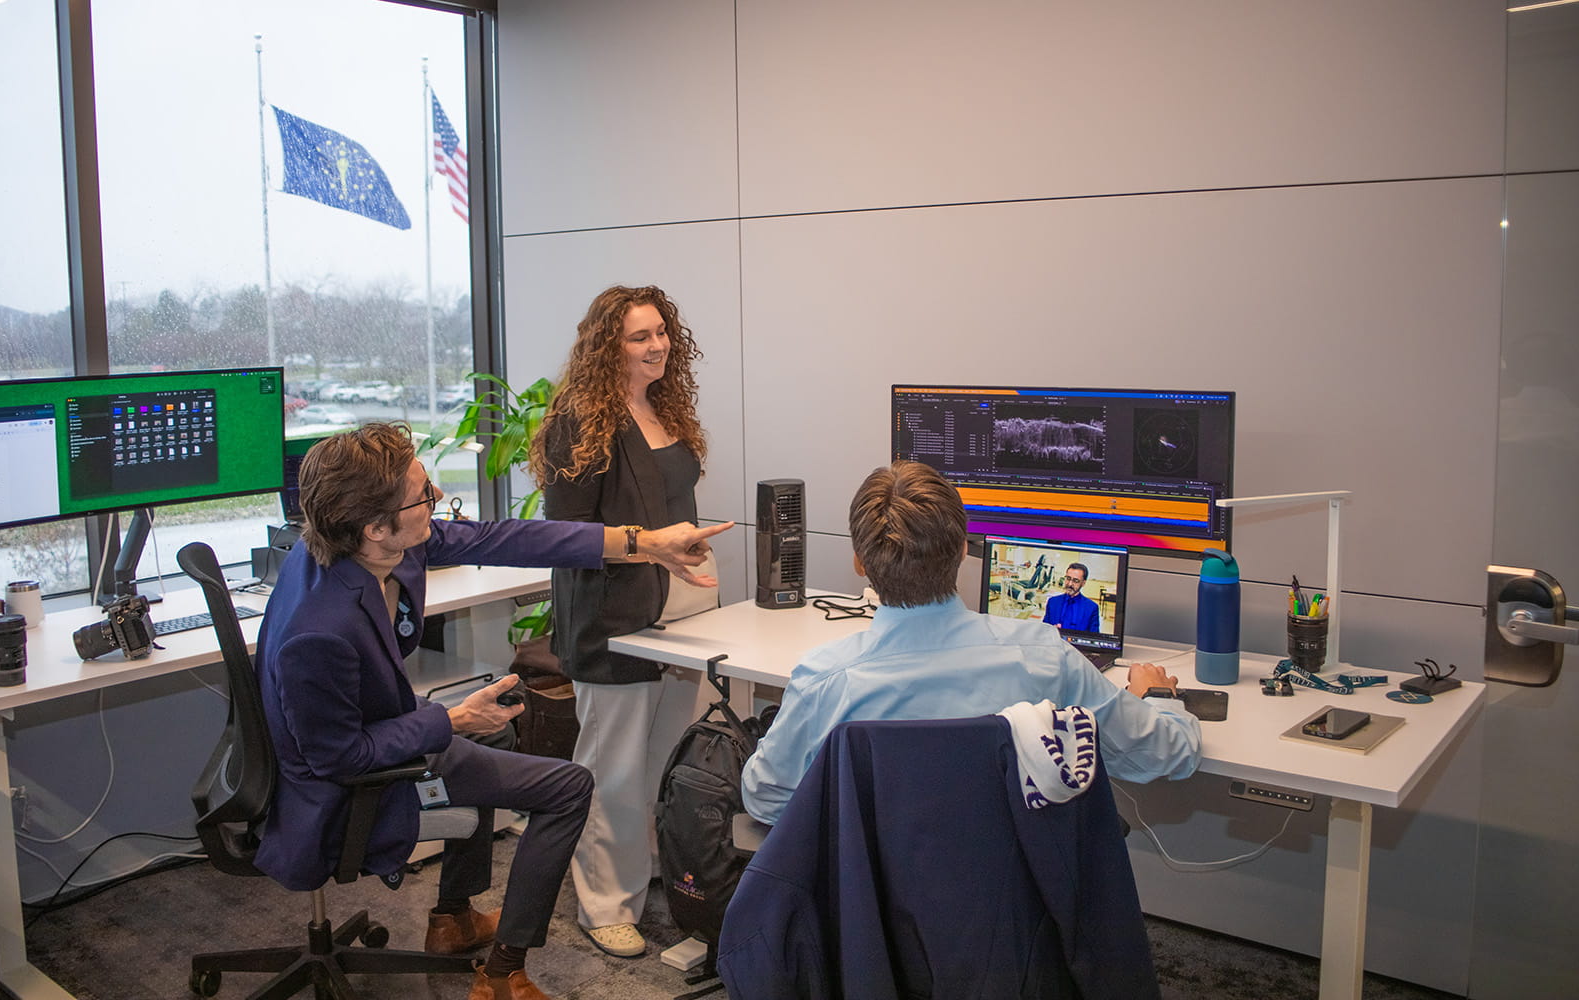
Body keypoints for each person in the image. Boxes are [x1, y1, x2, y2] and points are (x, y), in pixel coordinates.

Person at [256, 422, 731, 1000]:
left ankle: (452, 916)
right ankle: (504, 973)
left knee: (500, 738)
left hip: (379, 733)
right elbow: (338, 756)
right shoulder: (319, 628)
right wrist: (451, 720)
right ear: (375, 527)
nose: (435, 501)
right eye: (422, 496)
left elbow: (510, 537)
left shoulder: (370, 546)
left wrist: (643, 542)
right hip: (346, 787)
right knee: (568, 786)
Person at [741, 460, 1200, 825]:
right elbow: (1171, 754)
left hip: (871, 920)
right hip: (1008, 913)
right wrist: (1156, 694)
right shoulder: (1045, 658)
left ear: (859, 563)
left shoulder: (824, 678)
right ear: (963, 549)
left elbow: (765, 800)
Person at [528, 284, 712, 959]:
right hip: (613, 618)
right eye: (640, 336)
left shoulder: (663, 408)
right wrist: (652, 544)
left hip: (678, 609)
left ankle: (650, 869)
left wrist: (685, 546)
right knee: (614, 771)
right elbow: (568, 534)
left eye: (661, 332)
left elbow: (670, 505)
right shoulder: (581, 419)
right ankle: (604, 903)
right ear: (609, 345)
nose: (657, 345)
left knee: (667, 760)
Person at [1044, 561, 1103, 632]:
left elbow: (1094, 638)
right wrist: (1052, 631)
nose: (1070, 584)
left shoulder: (1091, 608)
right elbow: (1044, 631)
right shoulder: (1053, 602)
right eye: (1068, 578)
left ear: (1083, 583)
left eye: (1076, 581)